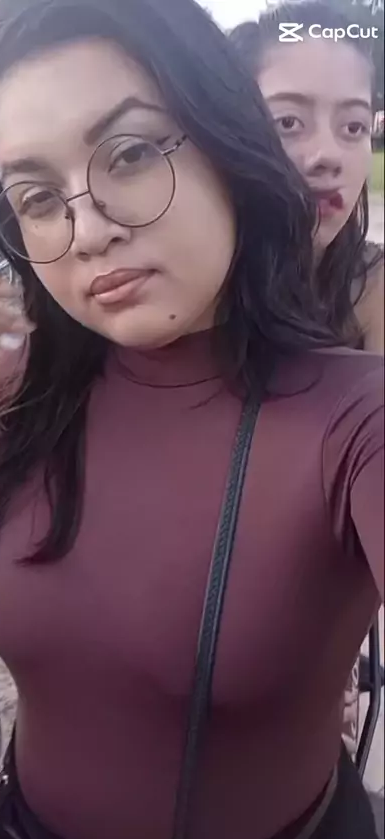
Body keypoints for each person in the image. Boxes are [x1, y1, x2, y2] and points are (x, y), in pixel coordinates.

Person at [0, 0, 383, 839]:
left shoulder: (355, 419)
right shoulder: (22, 391)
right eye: (38, 197)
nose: (89, 231)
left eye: (129, 154)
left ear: (228, 144)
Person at [230, 0, 384, 761]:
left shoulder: (371, 291)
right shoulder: (155, 295)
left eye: (354, 127)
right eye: (289, 122)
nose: (329, 156)